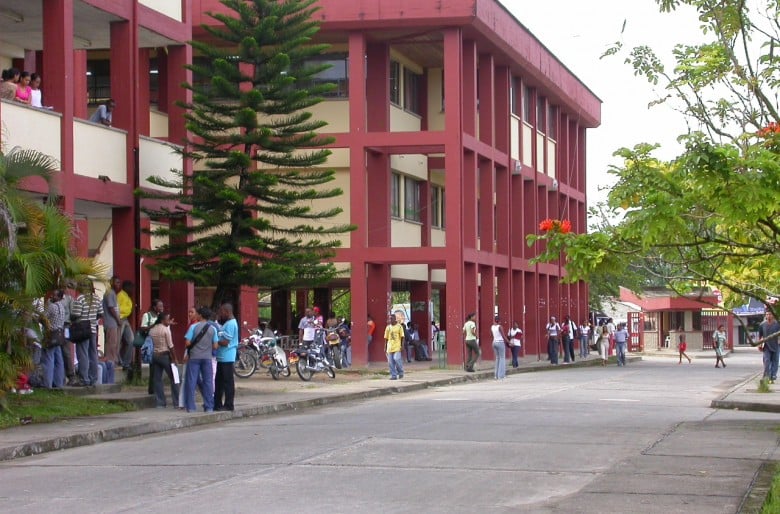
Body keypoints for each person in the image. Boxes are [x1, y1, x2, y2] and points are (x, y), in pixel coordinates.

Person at [183, 307, 218, 413]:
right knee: (208, 382)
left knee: (191, 381)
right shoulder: (213, 329)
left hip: (194, 358)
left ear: (201, 316)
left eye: (197, 314)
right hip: (207, 358)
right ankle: (209, 406)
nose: (196, 315)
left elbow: (187, 343)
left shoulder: (193, 327)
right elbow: (215, 346)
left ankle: (191, 407)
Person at [70, 281, 104, 386]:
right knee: (93, 354)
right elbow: (100, 313)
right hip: (93, 329)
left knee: (83, 354)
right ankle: (93, 377)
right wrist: (92, 319)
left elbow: (76, 314)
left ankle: (84, 378)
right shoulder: (97, 298)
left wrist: (73, 318)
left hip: (82, 329)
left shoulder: (80, 298)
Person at [148, 312, 179, 408]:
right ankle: (177, 402)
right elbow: (171, 346)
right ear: (162, 320)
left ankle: (160, 402)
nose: (169, 321)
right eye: (167, 319)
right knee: (174, 378)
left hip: (154, 355)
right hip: (164, 355)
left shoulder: (152, 330)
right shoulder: (165, 330)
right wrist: (175, 358)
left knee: (157, 379)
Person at [214, 303, 238, 411]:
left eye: (222, 312)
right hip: (221, 356)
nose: (220, 314)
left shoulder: (231, 324)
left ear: (227, 312)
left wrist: (215, 342)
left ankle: (229, 404)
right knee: (219, 381)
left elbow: (226, 341)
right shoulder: (226, 323)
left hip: (227, 356)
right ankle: (217, 403)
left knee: (227, 382)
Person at [42, 290, 67, 389]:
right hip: (59, 334)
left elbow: (43, 317)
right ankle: (58, 382)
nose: (52, 296)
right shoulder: (62, 306)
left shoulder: (52, 306)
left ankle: (47, 383)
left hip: (51, 334)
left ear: (59, 297)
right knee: (59, 359)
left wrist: (47, 303)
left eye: (54, 295)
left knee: (49, 358)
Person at [140, 299, 165, 394]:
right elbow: (142, 328)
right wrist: (154, 325)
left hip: (160, 343)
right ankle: (152, 389)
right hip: (151, 343)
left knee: (158, 368)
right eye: (160, 306)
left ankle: (157, 388)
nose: (162, 308)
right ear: (154, 307)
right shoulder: (147, 315)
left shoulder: (161, 316)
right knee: (153, 367)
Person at [117, 280, 135, 370]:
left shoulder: (127, 296)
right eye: (131, 288)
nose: (132, 290)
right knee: (117, 341)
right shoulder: (121, 295)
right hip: (120, 319)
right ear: (126, 287)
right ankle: (117, 361)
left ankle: (126, 362)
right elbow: (116, 308)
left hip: (126, 319)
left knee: (131, 340)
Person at [760, 312, 780, 382]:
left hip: (776, 345)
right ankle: (766, 376)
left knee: (775, 361)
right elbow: (761, 336)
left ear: (773, 315)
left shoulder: (777, 324)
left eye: (770, 314)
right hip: (766, 346)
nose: (768, 316)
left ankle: (773, 375)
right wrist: (760, 344)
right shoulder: (762, 324)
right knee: (766, 361)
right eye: (767, 314)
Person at [384, 314, 404, 380]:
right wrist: (385, 347)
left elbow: (402, 337)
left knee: (396, 359)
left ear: (395, 319)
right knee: (390, 362)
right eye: (389, 319)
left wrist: (402, 345)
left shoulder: (399, 326)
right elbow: (386, 338)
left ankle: (400, 372)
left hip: (397, 347)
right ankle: (393, 375)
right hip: (389, 347)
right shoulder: (388, 327)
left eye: (391, 319)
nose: (390, 320)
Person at [490, 316, 508, 380]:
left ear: (494, 320)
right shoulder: (500, 327)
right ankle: (501, 375)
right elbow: (503, 336)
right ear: (499, 321)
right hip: (500, 343)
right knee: (502, 358)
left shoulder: (492, 327)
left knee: (497, 359)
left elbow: (491, 335)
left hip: (494, 342)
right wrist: (509, 342)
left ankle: (496, 375)